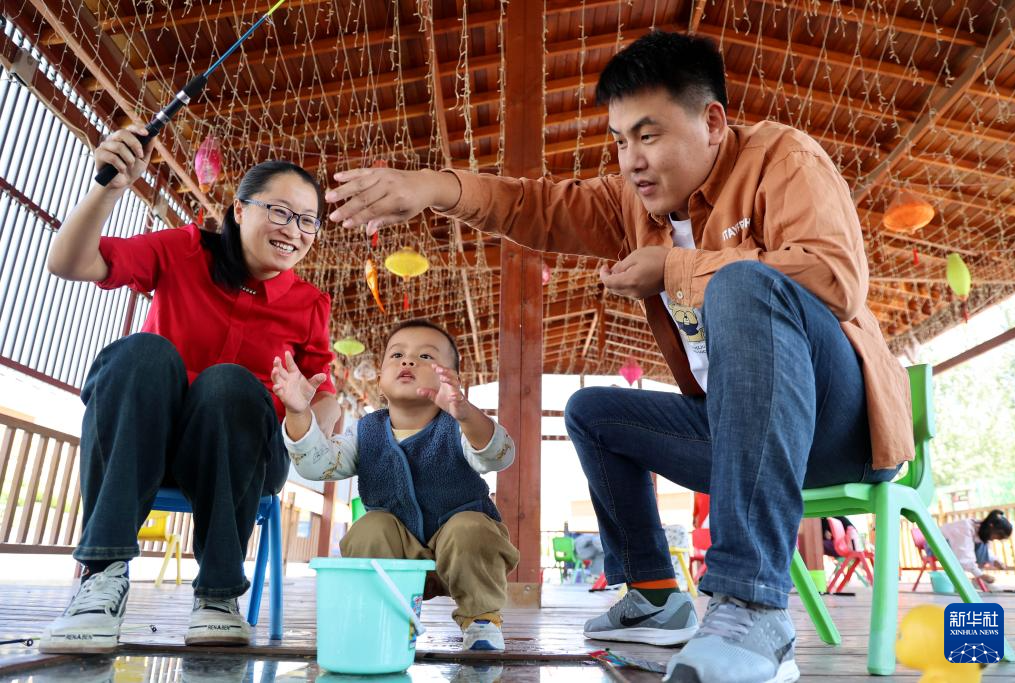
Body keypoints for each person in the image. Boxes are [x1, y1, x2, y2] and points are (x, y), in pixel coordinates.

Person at [322, 30, 915, 683]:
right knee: (592, 412)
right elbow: (534, 205)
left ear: (713, 122)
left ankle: (752, 608)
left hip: (838, 429)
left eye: (649, 135)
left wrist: (677, 268)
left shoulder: (783, 158)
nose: (632, 159)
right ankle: (655, 594)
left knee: (744, 283)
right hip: (733, 434)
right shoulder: (633, 203)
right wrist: (434, 186)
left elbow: (835, 277)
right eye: (619, 140)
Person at [39, 127, 339, 652]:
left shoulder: (310, 303)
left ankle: (219, 596)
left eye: (308, 220)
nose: (295, 230)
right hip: (148, 446)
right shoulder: (185, 249)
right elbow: (69, 263)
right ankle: (101, 579)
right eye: (280, 211)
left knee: (230, 383)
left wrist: (306, 417)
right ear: (240, 210)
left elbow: (324, 399)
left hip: (242, 460)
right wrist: (108, 190)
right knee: (140, 352)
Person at [272, 318, 520, 651]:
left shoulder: (458, 427)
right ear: (380, 380)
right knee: (369, 528)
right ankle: (388, 619)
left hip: (463, 552)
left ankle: (481, 620)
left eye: (426, 356)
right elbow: (318, 464)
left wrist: (465, 413)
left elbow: (497, 455)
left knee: (471, 528)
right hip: (396, 554)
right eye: (397, 355)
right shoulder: (365, 432)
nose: (408, 361)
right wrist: (298, 412)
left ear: (452, 380)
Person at [940, 510, 1013, 585]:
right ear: (991, 526)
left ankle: (978, 580)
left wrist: (994, 561)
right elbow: (963, 555)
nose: (994, 539)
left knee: (983, 543)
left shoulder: (981, 530)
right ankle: (978, 579)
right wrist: (980, 574)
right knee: (981, 545)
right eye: (998, 536)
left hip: (951, 547)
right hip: (937, 547)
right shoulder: (965, 528)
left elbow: (984, 552)